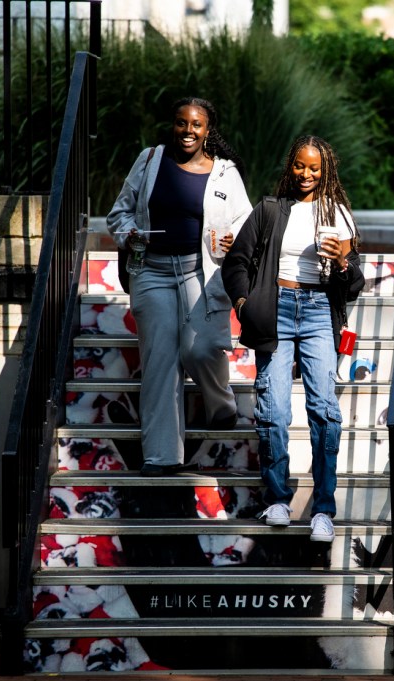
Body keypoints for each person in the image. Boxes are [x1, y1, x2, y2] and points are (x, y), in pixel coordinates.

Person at [222, 136, 365, 543]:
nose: (306, 174)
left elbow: (355, 280)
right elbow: (236, 263)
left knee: (324, 409)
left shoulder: (339, 215)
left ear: (326, 171)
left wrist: (340, 259)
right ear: (291, 167)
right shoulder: (270, 209)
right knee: (273, 408)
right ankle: (279, 499)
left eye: (315, 168)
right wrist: (245, 303)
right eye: (300, 166)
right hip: (275, 309)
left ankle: (323, 509)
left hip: (319, 311)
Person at [107, 97, 252, 477]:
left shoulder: (225, 173)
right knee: (161, 361)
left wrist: (230, 237)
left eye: (196, 125)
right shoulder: (150, 160)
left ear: (208, 130)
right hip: (151, 272)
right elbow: (118, 213)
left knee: (201, 346)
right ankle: (162, 456)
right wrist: (130, 234)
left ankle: (221, 405)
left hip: (200, 272)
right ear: (173, 125)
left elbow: (247, 225)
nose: (188, 131)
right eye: (181, 123)